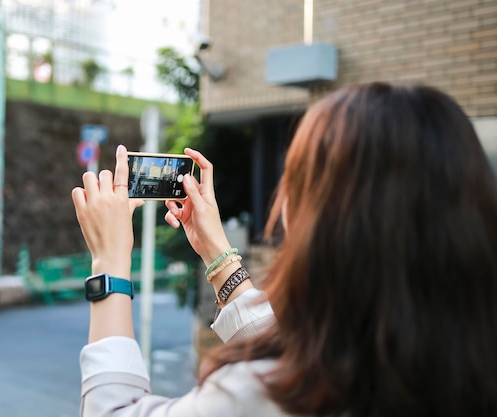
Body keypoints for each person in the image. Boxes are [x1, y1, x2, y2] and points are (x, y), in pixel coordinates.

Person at [71, 83, 497, 417]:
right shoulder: (457, 365)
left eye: (296, 178)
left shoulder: (280, 394)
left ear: (333, 223)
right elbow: (288, 345)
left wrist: (110, 264)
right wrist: (217, 253)